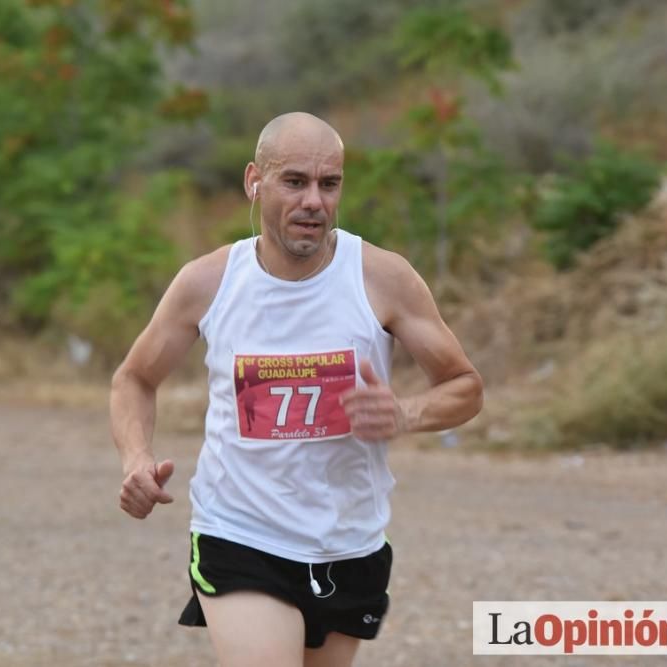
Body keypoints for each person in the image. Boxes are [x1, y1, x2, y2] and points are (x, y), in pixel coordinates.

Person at [110, 112, 483, 667]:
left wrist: (404, 414)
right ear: (253, 183)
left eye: (328, 184)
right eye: (294, 181)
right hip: (238, 532)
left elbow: (464, 386)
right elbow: (134, 378)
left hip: (349, 541)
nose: (314, 200)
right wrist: (135, 458)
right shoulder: (209, 282)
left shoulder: (382, 278)